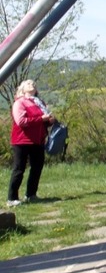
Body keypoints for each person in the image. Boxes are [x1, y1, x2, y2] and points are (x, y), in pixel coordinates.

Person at [6, 79, 54, 207]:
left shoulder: (40, 103)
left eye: (33, 83)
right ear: (22, 89)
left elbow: (43, 122)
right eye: (28, 83)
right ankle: (12, 198)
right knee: (19, 169)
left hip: (38, 140)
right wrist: (41, 119)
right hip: (22, 140)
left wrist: (50, 121)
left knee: (37, 167)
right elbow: (21, 121)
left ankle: (31, 194)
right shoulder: (19, 102)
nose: (32, 84)